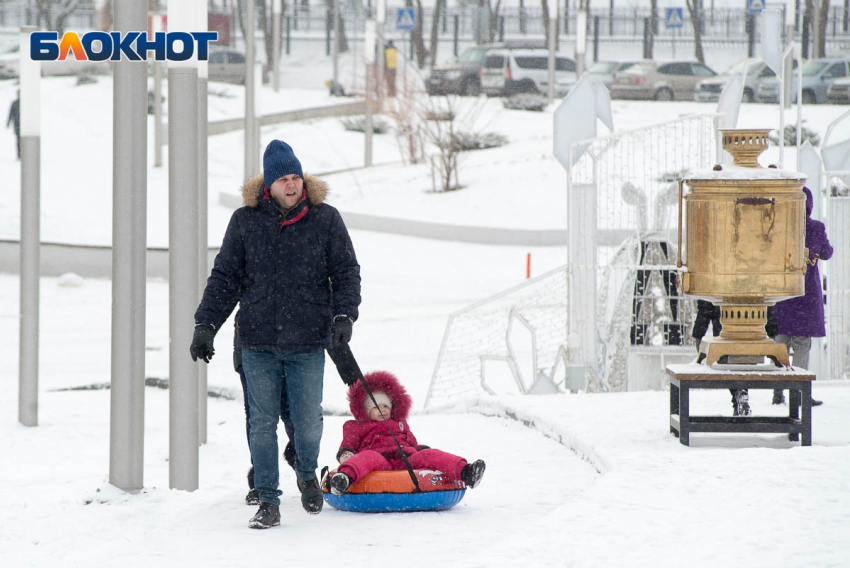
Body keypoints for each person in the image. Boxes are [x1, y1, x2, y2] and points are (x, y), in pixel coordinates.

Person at [191, 139, 362, 529]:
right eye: (283, 179)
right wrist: (206, 325)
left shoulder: (325, 219)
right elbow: (225, 278)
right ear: (268, 185)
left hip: (306, 341)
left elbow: (347, 271)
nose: (291, 185)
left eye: (296, 177)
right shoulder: (245, 221)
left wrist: (343, 315)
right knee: (261, 424)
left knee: (308, 422)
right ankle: (268, 500)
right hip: (258, 341)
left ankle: (305, 474)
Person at [328, 370, 486, 496]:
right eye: (376, 407)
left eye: (386, 407)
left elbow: (412, 444)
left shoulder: (400, 425)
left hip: (405, 458)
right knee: (368, 456)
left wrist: (422, 450)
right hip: (378, 460)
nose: (382, 410)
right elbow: (348, 445)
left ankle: (466, 472)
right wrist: (346, 455)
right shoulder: (358, 426)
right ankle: (344, 478)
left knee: (429, 454)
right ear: (366, 411)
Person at [772, 186, 833, 406]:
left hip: (783, 292)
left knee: (780, 341)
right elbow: (827, 252)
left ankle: (777, 391)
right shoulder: (816, 227)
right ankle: (799, 393)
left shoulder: (780, 226)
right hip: (805, 295)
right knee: (801, 343)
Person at [692, 300, 779, 416]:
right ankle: (741, 395)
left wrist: (698, 334)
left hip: (725, 332)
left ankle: (738, 396)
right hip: (751, 331)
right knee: (744, 365)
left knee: (730, 367)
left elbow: (705, 307)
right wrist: (772, 331)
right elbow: (765, 301)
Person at [6, 91, 20, 159]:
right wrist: (8, 122)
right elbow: (10, 113)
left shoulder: (26, 103)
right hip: (17, 124)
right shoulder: (14, 103)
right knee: (18, 140)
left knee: (25, 140)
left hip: (25, 126)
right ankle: (19, 155)